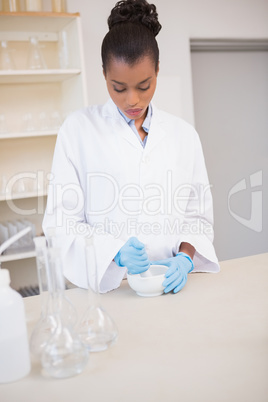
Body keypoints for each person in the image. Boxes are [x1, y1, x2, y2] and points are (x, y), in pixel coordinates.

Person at [43, 0, 220, 294]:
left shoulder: (183, 135)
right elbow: (61, 224)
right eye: (119, 88)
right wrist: (113, 251)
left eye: (144, 85)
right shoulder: (78, 131)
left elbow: (197, 217)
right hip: (110, 289)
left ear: (158, 70)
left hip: (171, 285)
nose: (132, 101)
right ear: (104, 74)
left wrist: (186, 258)